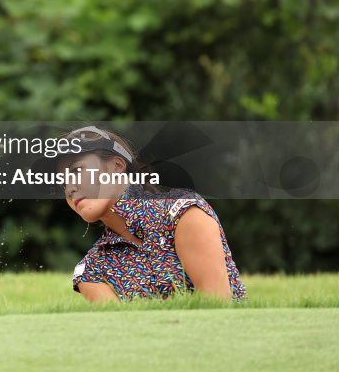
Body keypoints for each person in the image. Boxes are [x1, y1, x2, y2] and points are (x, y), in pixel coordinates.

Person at [54, 126, 247, 302]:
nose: (70, 188)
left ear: (117, 167)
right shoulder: (91, 272)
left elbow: (219, 313)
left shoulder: (183, 214)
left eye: (77, 170)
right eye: (63, 182)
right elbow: (123, 335)